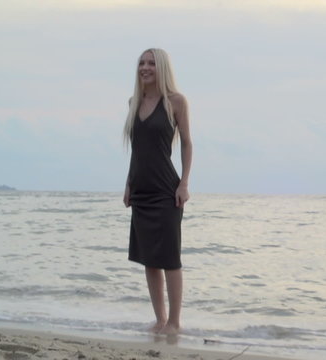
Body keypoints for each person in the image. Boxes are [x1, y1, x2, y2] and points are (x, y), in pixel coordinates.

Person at [122, 48, 193, 335]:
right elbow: (137, 150)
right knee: (149, 259)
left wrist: (184, 183)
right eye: (141, 62)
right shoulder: (133, 101)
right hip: (140, 190)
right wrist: (128, 182)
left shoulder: (176, 102)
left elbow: (187, 143)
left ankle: (175, 323)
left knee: (169, 258)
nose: (145, 67)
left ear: (162, 68)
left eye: (151, 63)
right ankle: (160, 320)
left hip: (166, 190)